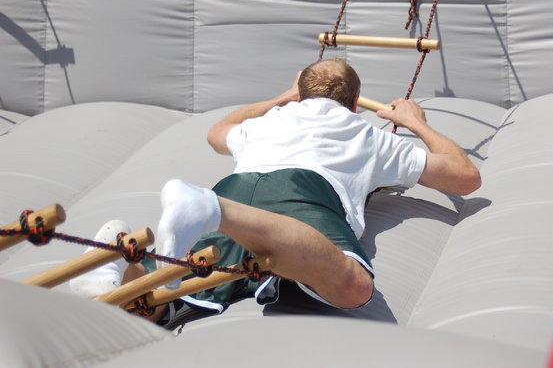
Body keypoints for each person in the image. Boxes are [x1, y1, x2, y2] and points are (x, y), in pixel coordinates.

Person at [70, 58, 480, 323]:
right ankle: (210, 209)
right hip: (302, 192)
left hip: (236, 189)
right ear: (354, 103)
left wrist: (282, 98)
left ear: (301, 94)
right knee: (354, 287)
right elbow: (465, 177)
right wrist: (414, 121)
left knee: (161, 304)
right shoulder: (367, 134)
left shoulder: (268, 123)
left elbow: (217, 133)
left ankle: (119, 264)